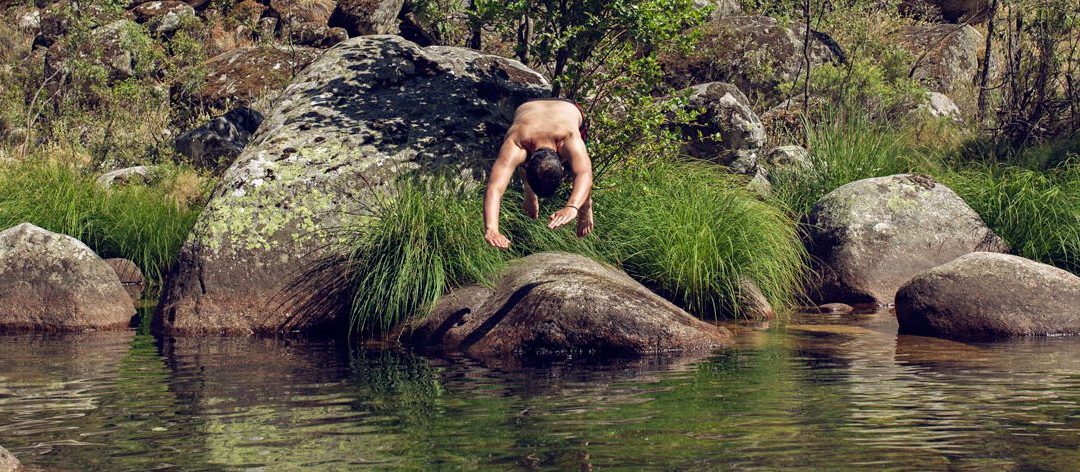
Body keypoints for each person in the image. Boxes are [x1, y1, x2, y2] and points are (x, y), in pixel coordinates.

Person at [483, 98, 594, 249]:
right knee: (521, 161)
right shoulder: (517, 143)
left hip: (566, 108)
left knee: (581, 166)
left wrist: (574, 207)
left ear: (561, 163)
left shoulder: (568, 138)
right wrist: (492, 229)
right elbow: (495, 187)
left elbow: (584, 174)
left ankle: (587, 205)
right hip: (530, 106)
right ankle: (530, 193)